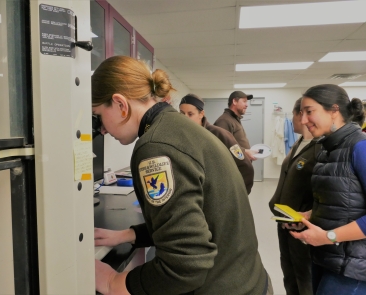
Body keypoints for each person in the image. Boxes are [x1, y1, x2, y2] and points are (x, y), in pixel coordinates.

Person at [92, 56, 272, 295]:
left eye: (99, 116)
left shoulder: (156, 147)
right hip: (246, 280)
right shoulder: (179, 128)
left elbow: (185, 265)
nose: (102, 130)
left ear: (120, 104)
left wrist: (112, 283)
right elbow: (200, 217)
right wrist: (129, 234)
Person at [290, 84, 366, 295]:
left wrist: (329, 236)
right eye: (302, 113)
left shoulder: (360, 147)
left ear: (334, 111)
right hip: (325, 257)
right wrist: (310, 215)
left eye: (309, 111)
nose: (303, 120)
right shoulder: (326, 149)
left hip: (352, 269)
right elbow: (342, 201)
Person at [269, 97, 321, 295]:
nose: (292, 120)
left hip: (302, 224)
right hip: (285, 222)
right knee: (289, 271)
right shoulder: (299, 143)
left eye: (294, 114)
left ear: (302, 114)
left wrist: (310, 215)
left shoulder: (319, 147)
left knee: (304, 274)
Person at [179, 93, 254, 194]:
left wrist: (238, 196)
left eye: (190, 114)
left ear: (201, 114)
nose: (185, 118)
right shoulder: (179, 136)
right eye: (182, 113)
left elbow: (245, 166)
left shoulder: (219, 134)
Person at [214, 90, 257, 161]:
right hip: (233, 169)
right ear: (234, 101)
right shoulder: (224, 121)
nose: (247, 105)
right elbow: (222, 147)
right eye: (244, 101)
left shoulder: (234, 119)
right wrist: (245, 152)